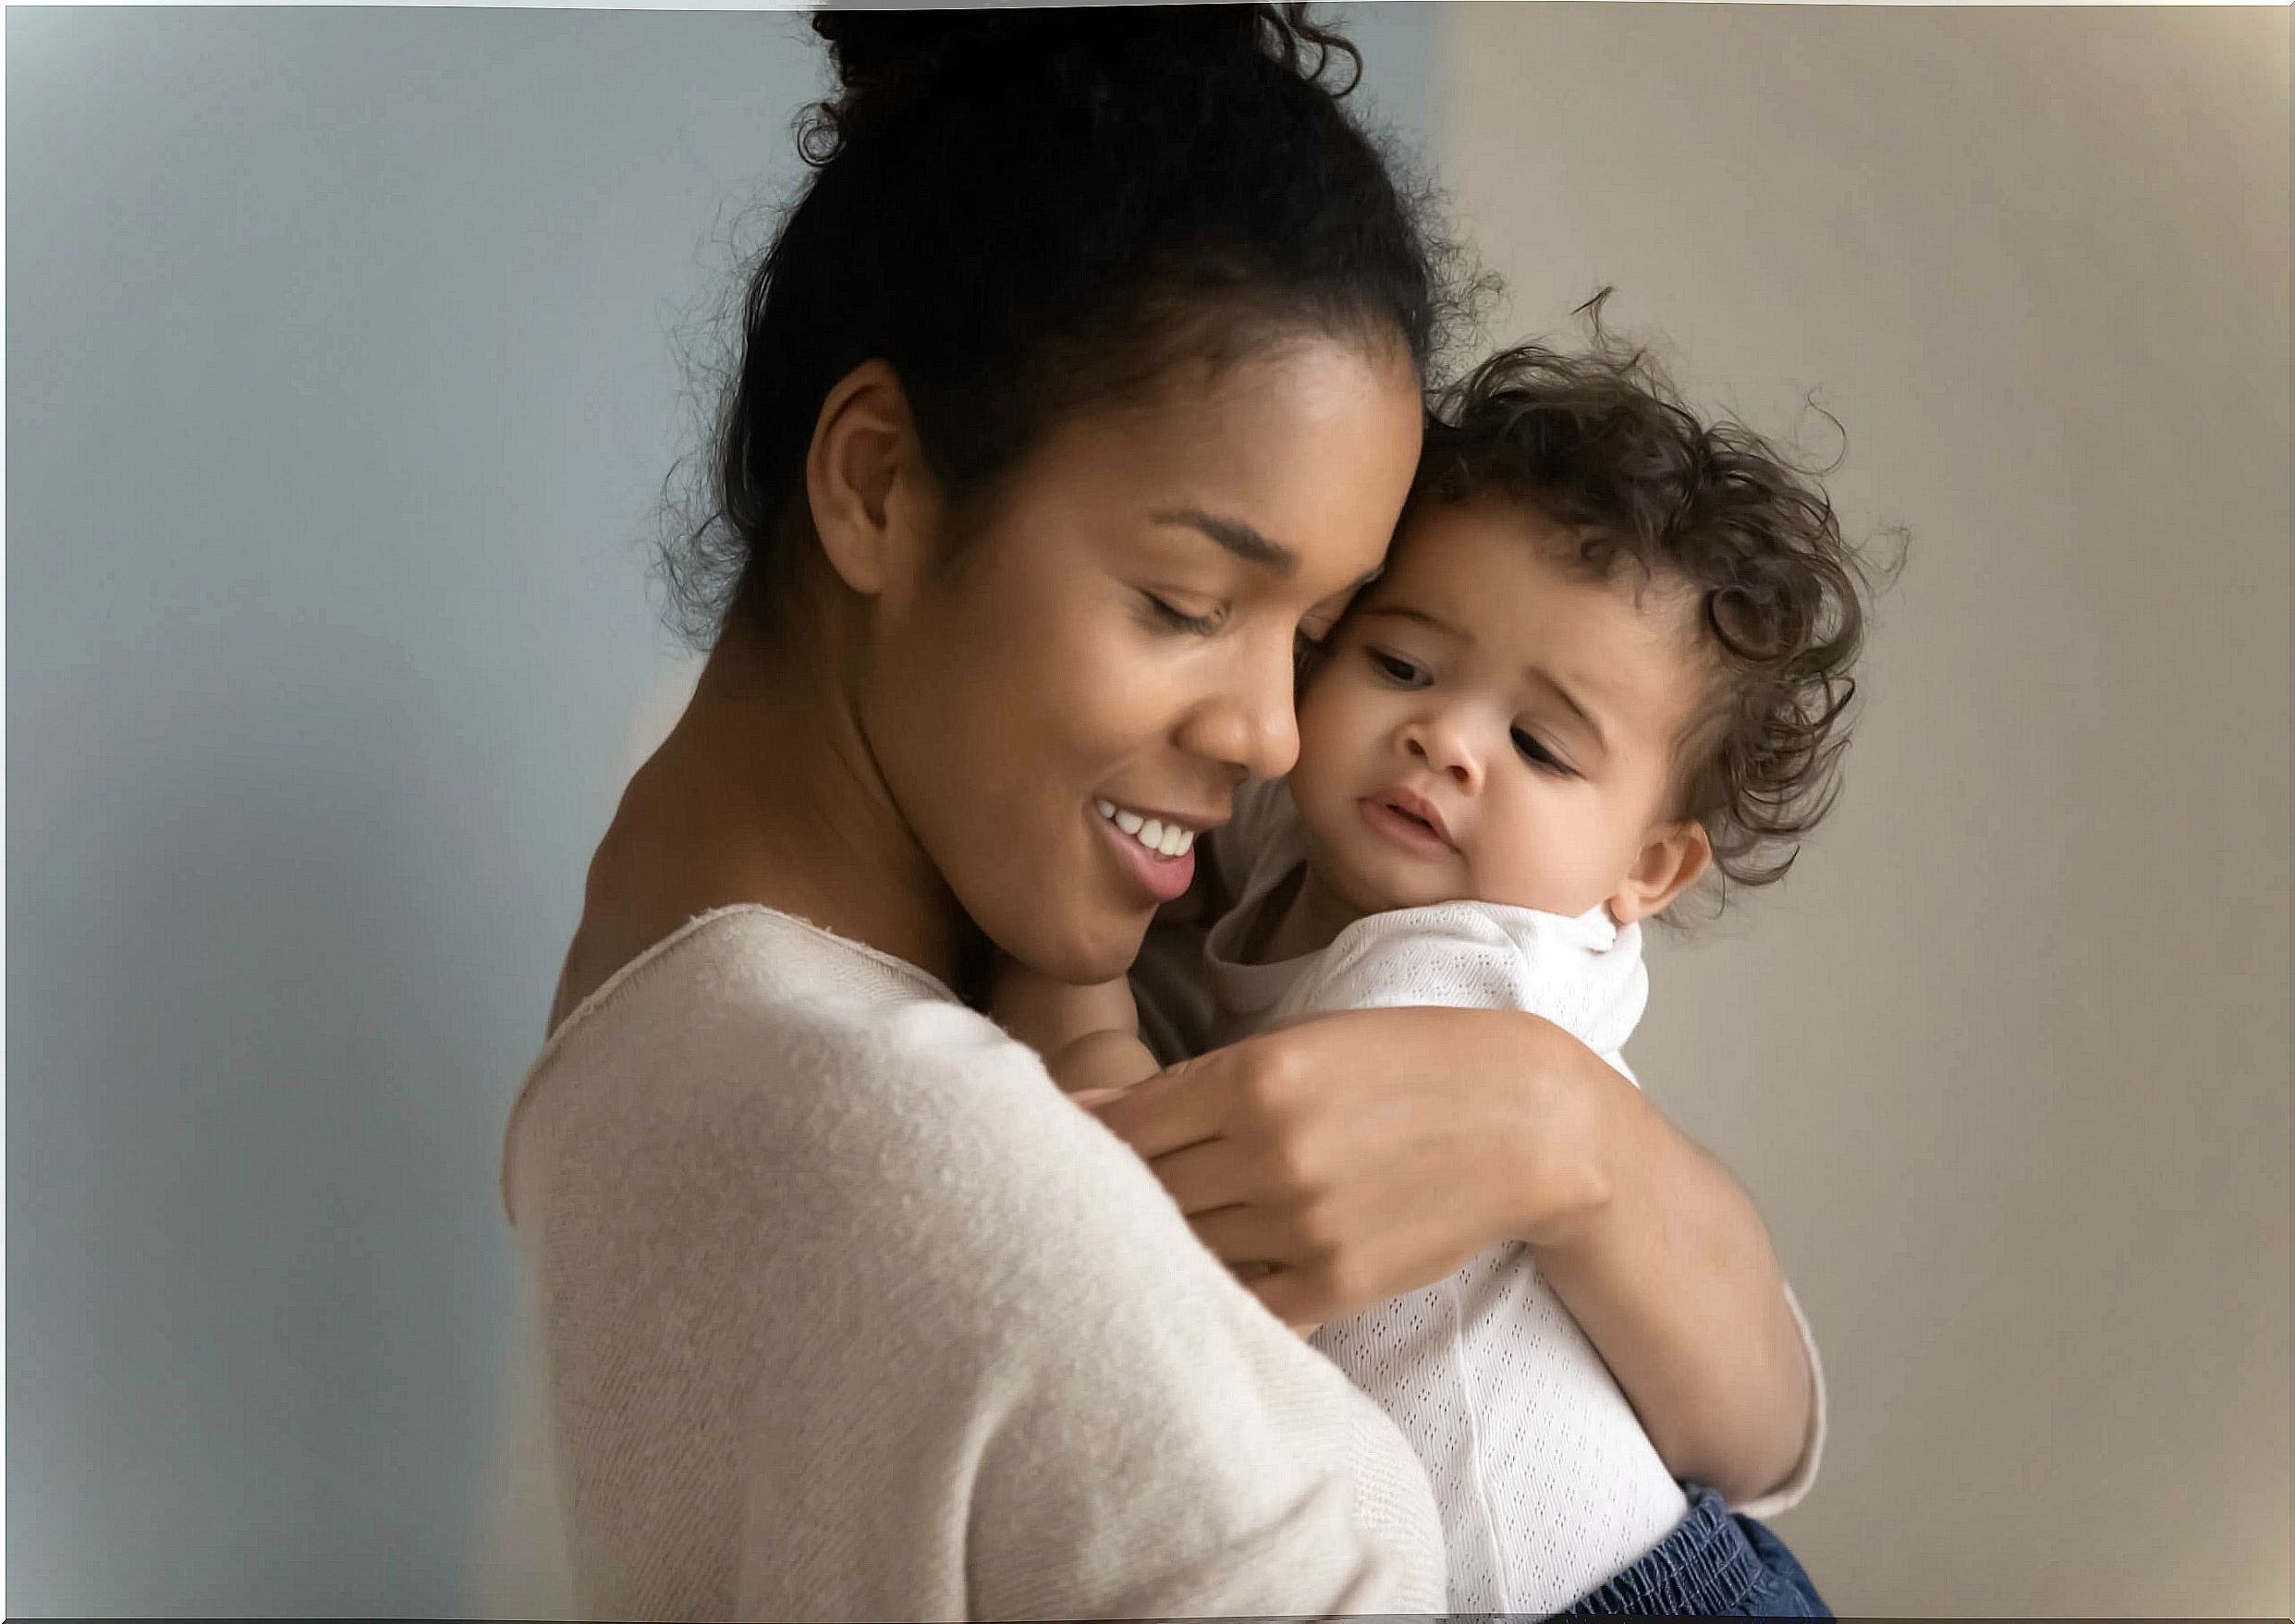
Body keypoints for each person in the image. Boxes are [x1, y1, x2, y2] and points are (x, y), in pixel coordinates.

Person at [502, 7, 1813, 1617]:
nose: (1275, 735)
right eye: (1190, 601)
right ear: (876, 483)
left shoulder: (672, 923)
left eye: (1316, 633)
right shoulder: (980, 1176)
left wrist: (1583, 1136)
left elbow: (1762, 1436)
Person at [997, 326, 1870, 1615]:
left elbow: (1166, 1229)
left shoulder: (1470, 973)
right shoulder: (1304, 841)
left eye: (1540, 743)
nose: (1444, 739)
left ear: (1648, 869)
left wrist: (1060, 990)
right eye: (1401, 663)